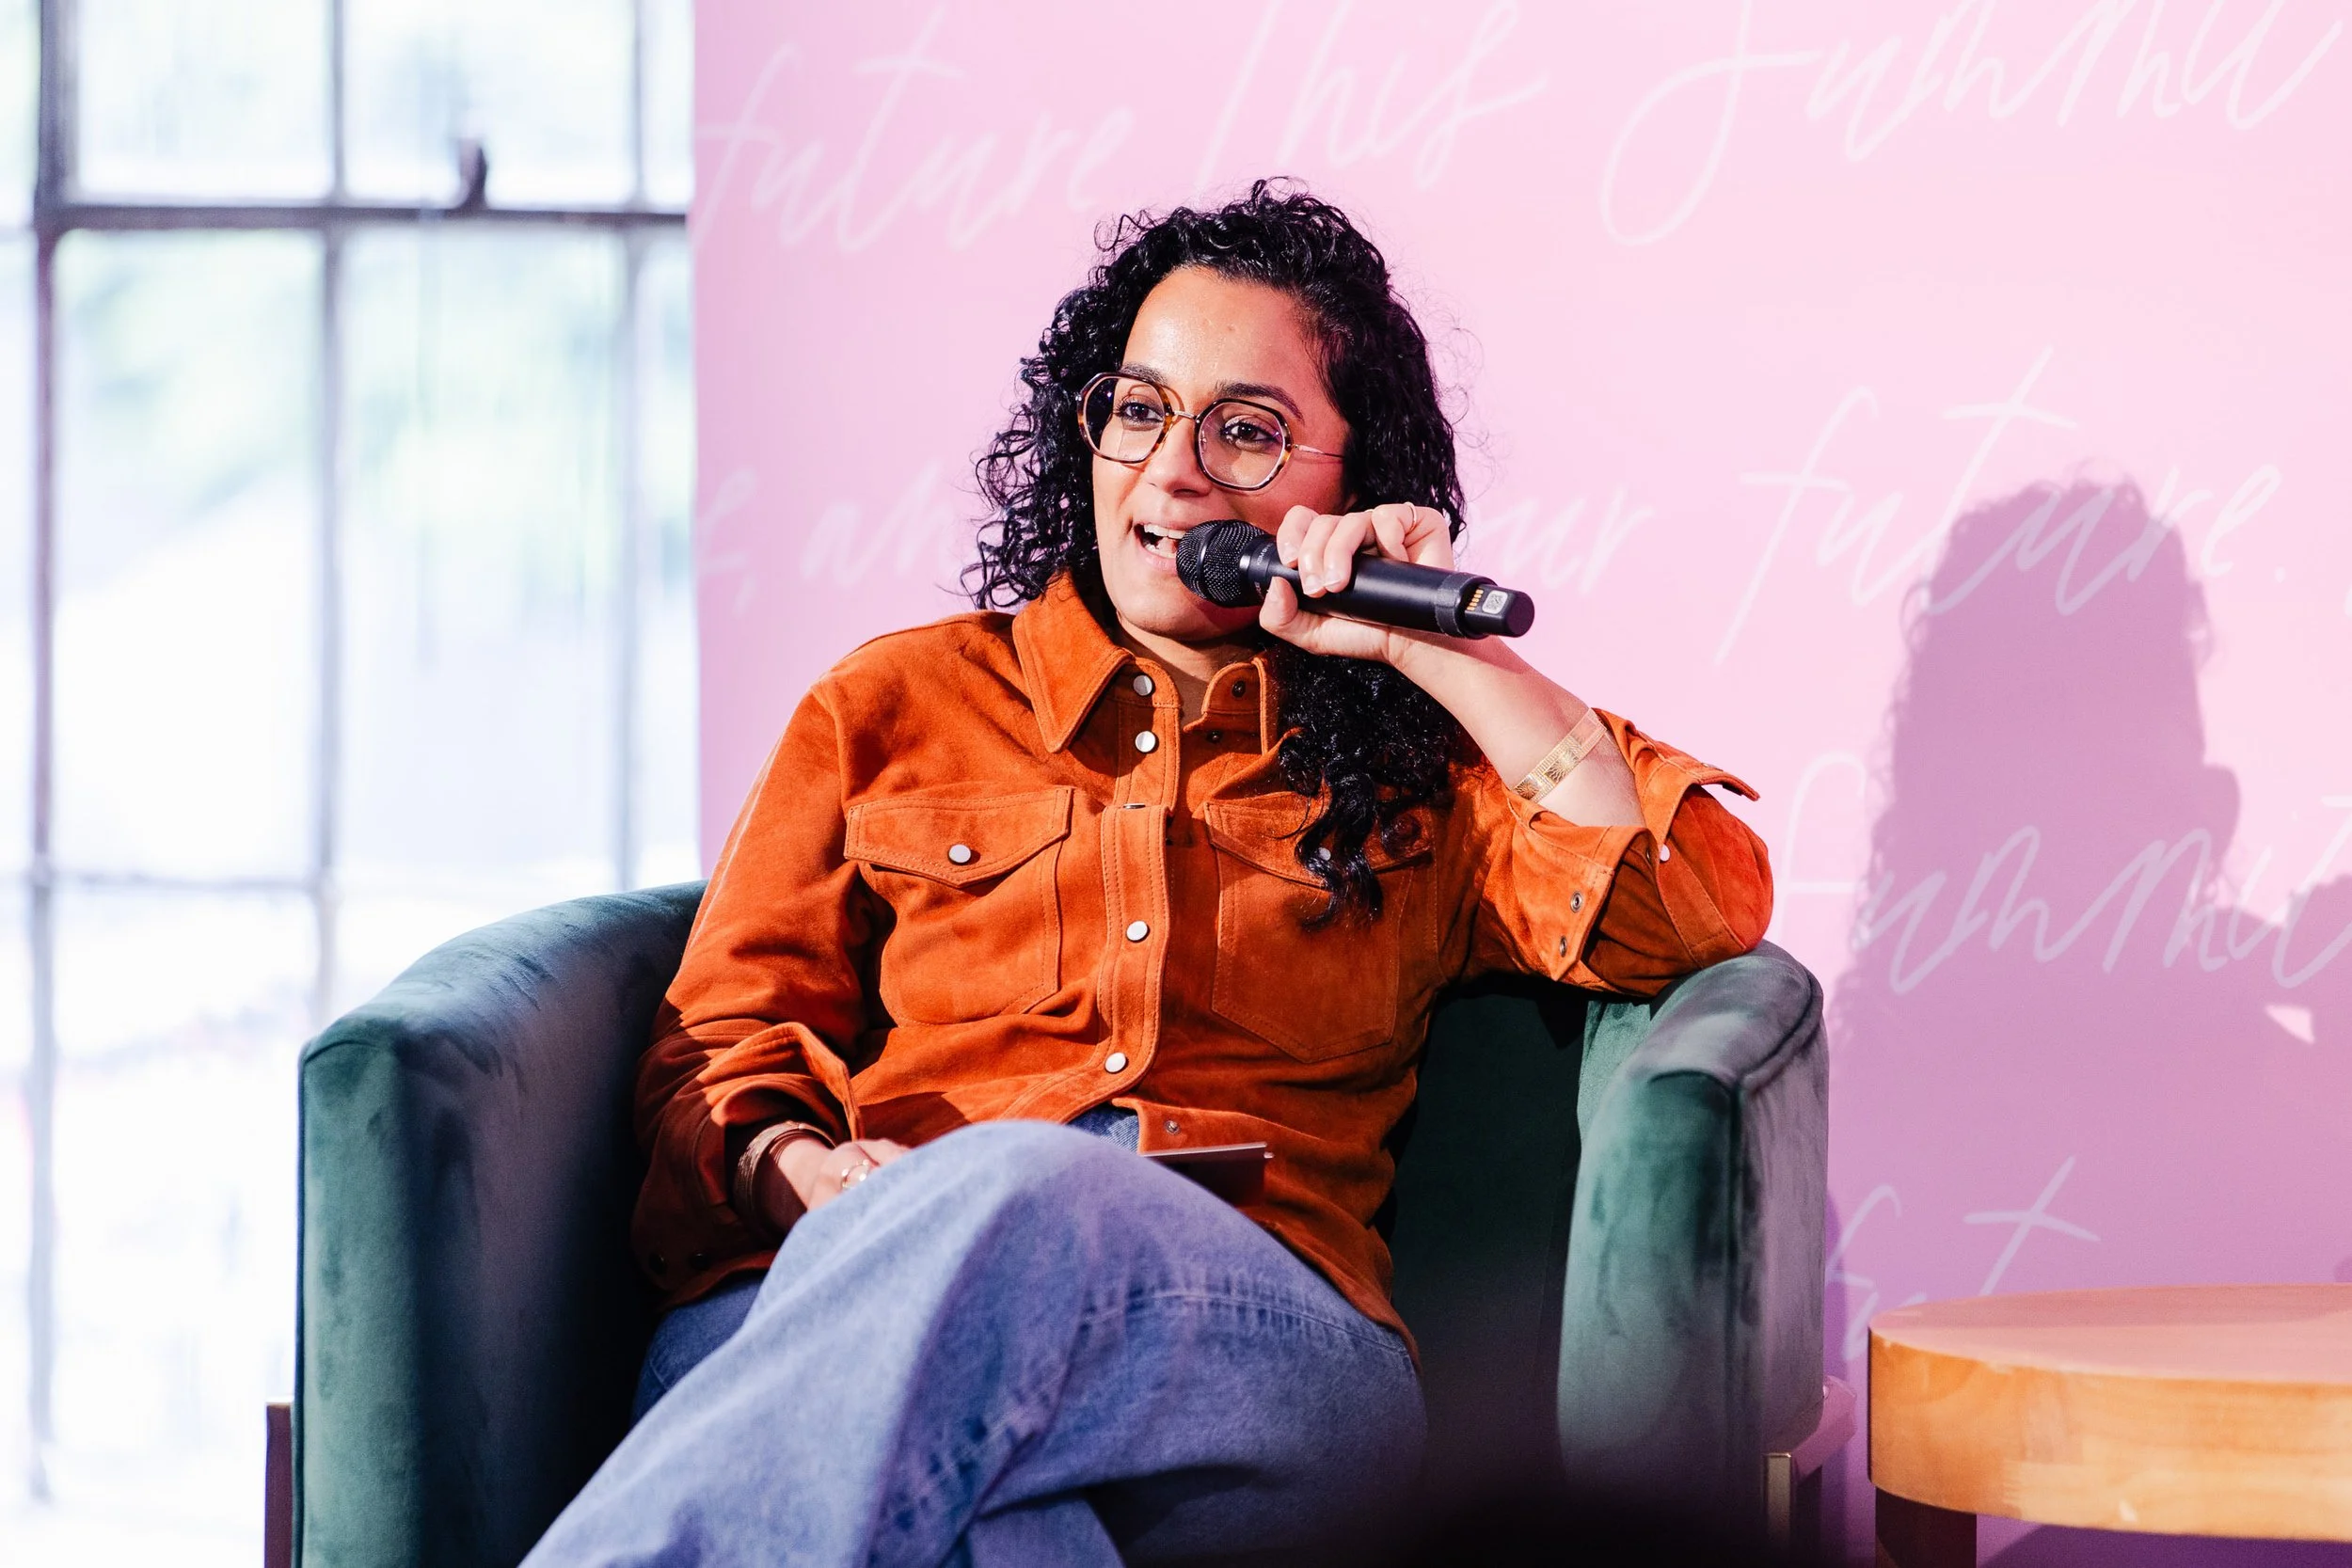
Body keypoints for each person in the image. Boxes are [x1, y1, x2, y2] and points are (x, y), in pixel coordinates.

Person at [524, 182, 1773, 1568]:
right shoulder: (887, 706)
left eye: (1246, 433)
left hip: (1259, 1347)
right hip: (840, 1291)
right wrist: (806, 1173)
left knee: (1020, 1198)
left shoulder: (1426, 769)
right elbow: (718, 1051)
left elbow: (1687, 902)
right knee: (1002, 1519)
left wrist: (1444, 652)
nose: (1172, 473)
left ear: (1344, 491)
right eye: (1138, 409)